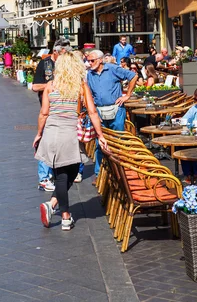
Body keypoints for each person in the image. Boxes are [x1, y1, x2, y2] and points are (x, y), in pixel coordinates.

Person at [33, 52, 108, 230]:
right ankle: (65, 217)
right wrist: (100, 134)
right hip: (69, 133)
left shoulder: (50, 86)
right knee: (69, 173)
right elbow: (92, 112)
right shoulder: (81, 86)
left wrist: (39, 133)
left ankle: (52, 205)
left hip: (52, 131)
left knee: (62, 173)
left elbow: (44, 113)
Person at [87, 49, 138, 183]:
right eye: (88, 60)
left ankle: (119, 172)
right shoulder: (89, 74)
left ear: (100, 60)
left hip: (116, 109)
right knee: (100, 143)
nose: (89, 63)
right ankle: (99, 174)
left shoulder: (112, 69)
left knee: (118, 141)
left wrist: (127, 95)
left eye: (92, 60)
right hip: (99, 110)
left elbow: (133, 76)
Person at [32, 38, 72, 192]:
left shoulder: (68, 64)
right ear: (55, 51)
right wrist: (53, 86)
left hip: (66, 108)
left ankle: (62, 172)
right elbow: (35, 87)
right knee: (45, 142)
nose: (65, 55)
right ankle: (44, 178)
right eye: (63, 52)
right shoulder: (45, 64)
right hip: (48, 109)